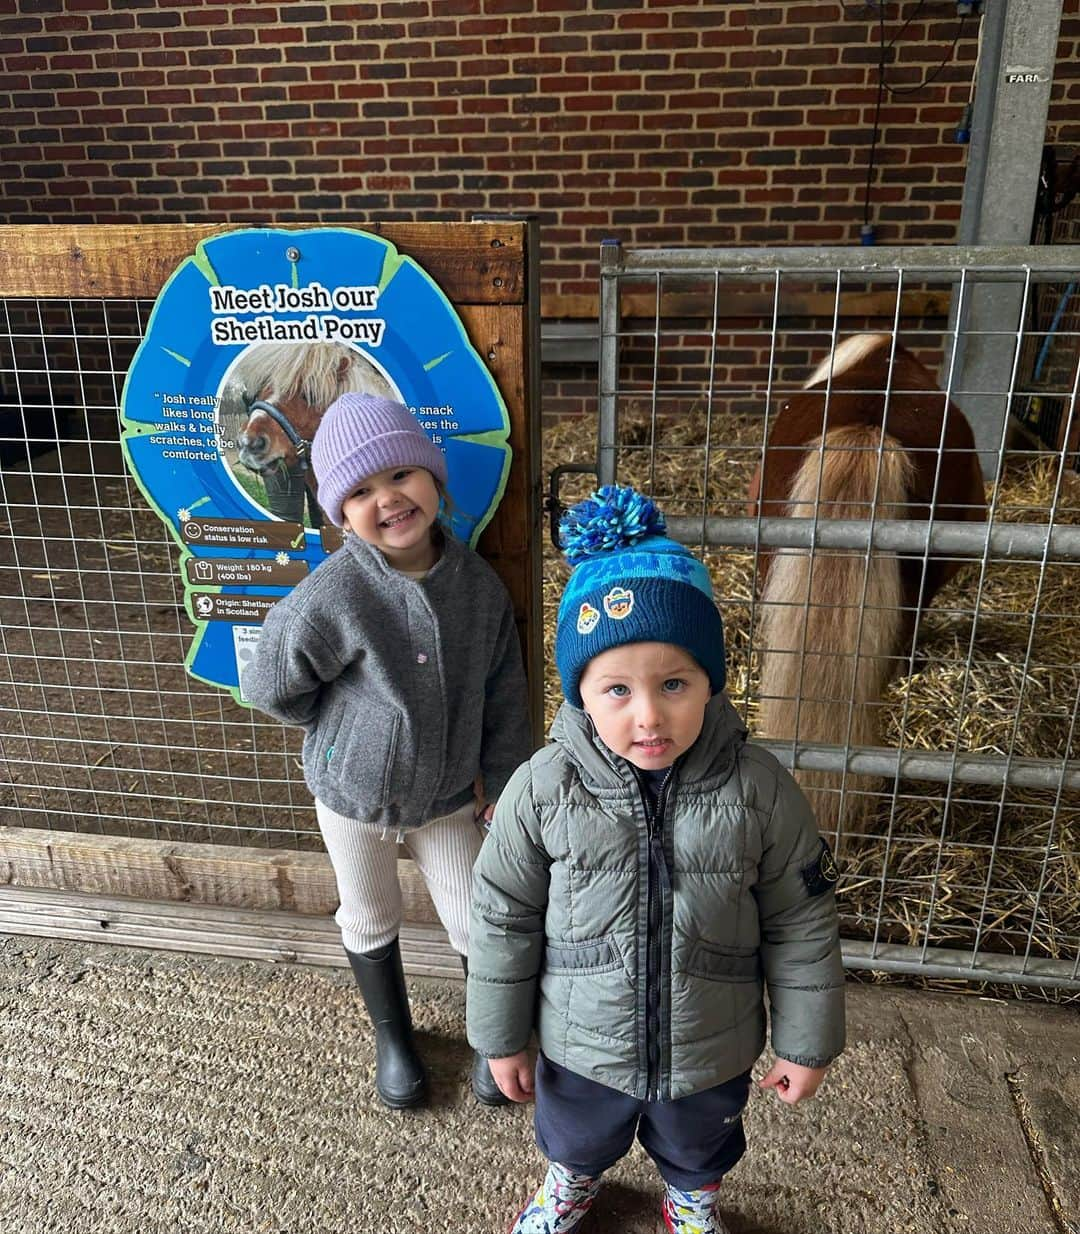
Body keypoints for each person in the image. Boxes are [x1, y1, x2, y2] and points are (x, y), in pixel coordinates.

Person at [466, 484, 845, 1234]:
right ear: (580, 695)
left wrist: (808, 1042)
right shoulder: (541, 789)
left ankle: (691, 1200)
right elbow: (502, 913)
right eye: (616, 689)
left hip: (711, 1039)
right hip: (581, 1038)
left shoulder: (760, 788)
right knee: (575, 1133)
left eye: (675, 683)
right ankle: (572, 1184)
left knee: (700, 1140)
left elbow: (801, 918)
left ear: (711, 680)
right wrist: (500, 1036)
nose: (648, 715)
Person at [244, 393, 532, 1111]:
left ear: (434, 480)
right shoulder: (333, 593)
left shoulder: (480, 589)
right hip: (351, 796)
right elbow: (273, 683)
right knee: (369, 913)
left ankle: (491, 1040)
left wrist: (501, 779)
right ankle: (395, 1039)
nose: (389, 500)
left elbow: (504, 692)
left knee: (477, 917)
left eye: (401, 475)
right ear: (341, 516)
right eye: (362, 492)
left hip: (446, 798)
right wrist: (337, 732)